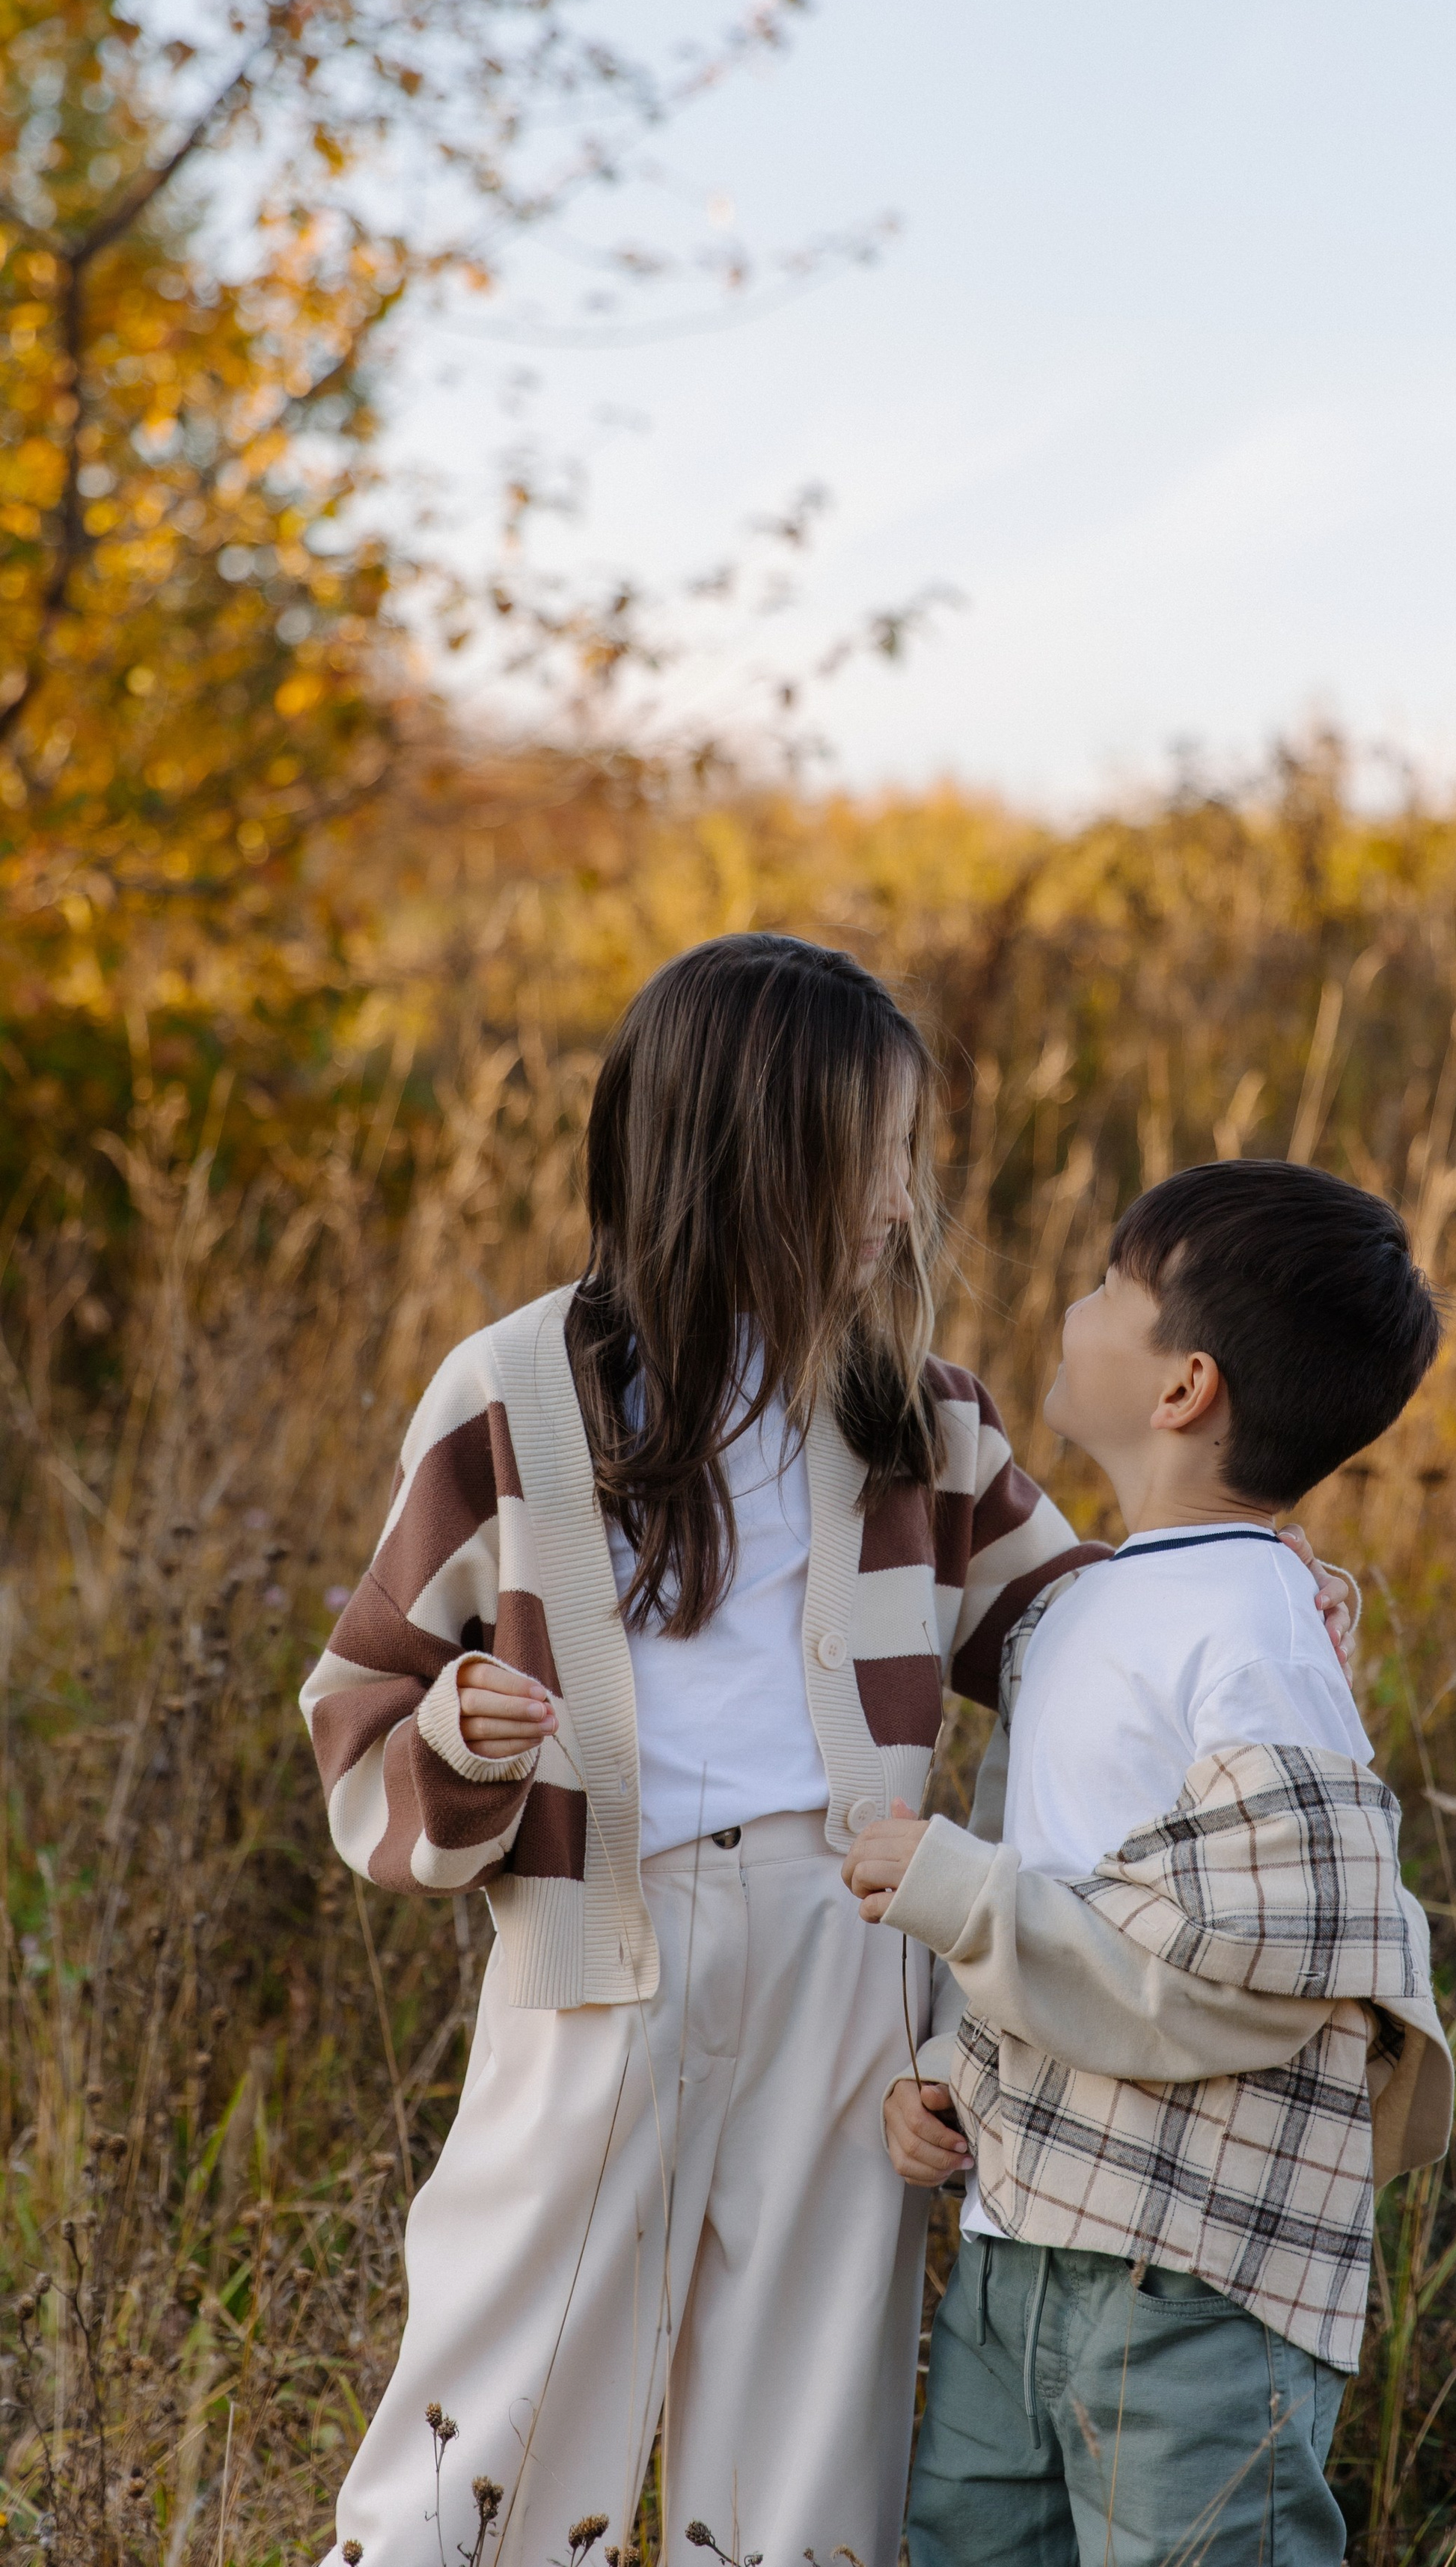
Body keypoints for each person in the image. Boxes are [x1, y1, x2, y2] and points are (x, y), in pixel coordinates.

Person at [299, 934, 1358, 2567]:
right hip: (600, 1958)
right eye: (873, 1158)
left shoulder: (915, 1418)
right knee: (496, 2396)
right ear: (748, 1159)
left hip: (849, 1955)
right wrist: (459, 1734)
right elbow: (357, 1708)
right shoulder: (513, 1393)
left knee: (809, 2418)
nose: (901, 1198)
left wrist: (1247, 1591)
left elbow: (1072, 1634)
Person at [845, 1158, 1456, 2567]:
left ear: (1184, 1387)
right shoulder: (1088, 1606)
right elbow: (1060, 1872)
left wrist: (956, 1893)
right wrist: (951, 2066)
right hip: (1021, 2240)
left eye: (1111, 1288)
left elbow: (1263, 1958)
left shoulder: (1254, 1636)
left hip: (1191, 2282)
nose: (1072, 1303)